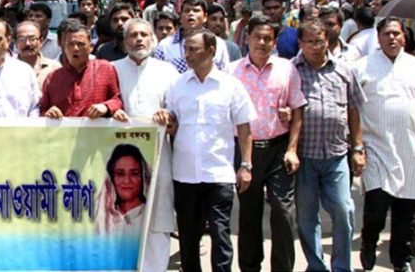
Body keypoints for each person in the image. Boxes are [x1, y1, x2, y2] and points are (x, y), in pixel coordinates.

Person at [155, 29, 255, 272]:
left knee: (221, 233)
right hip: (185, 174)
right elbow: (172, 123)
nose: (187, 54)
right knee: (189, 236)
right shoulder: (177, 86)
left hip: (218, 173)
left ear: (211, 51)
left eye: (193, 49)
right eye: (186, 49)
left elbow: (244, 127)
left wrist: (246, 165)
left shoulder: (230, 86)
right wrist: (166, 119)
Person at [228, 15, 306, 272]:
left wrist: (292, 149)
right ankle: (250, 267)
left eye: (268, 38)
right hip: (245, 151)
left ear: (275, 42)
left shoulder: (287, 68)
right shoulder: (232, 71)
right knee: (249, 214)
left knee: (283, 213)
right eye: (257, 37)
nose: (262, 43)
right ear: (247, 38)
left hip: (278, 149)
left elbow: (297, 111)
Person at [293, 20, 365, 272]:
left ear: (328, 40)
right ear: (300, 43)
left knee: (344, 211)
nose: (315, 46)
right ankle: (316, 266)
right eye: (309, 41)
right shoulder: (291, 71)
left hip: (337, 156)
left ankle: (342, 267)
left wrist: (358, 148)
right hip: (305, 158)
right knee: (306, 217)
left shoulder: (344, 70)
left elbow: (355, 109)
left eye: (319, 40)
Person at [112, 18, 179, 272]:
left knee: (157, 219)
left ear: (153, 39)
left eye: (144, 35)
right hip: (119, 159)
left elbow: (177, 114)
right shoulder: (111, 69)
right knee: (121, 219)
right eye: (133, 35)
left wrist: (168, 116)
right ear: (124, 41)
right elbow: (106, 104)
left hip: (160, 157)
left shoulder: (168, 72)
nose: (138, 40)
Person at [354, 17, 415, 272]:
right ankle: (369, 243)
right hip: (376, 149)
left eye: (396, 34)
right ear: (378, 38)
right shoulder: (362, 68)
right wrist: (357, 146)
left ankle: (400, 260)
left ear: (404, 36)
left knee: (406, 212)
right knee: (377, 209)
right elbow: (354, 109)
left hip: (411, 150)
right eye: (386, 34)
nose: (392, 38)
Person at [40, 22, 122, 118]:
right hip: (64, 132)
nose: (75, 49)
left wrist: (106, 106)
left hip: (97, 131)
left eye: (80, 44)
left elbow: (117, 100)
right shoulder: (52, 78)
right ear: (64, 48)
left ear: (91, 47)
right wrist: (49, 113)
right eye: (70, 44)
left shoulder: (105, 68)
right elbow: (42, 109)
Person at [153, 0, 231, 74]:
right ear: (180, 17)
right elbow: (158, 76)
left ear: (205, 17)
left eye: (196, 11)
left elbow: (225, 74)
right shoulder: (165, 46)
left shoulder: (218, 44)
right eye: (187, 11)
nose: (191, 14)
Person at [95, 144, 151, 236]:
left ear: (143, 177)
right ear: (111, 178)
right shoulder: (102, 215)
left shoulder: (151, 214)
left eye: (134, 173)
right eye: (120, 174)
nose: (127, 180)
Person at [15, 21, 60, 88]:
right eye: (22, 39)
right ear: (16, 42)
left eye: (32, 39)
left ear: (41, 41)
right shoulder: (8, 69)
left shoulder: (54, 68)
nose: (27, 43)